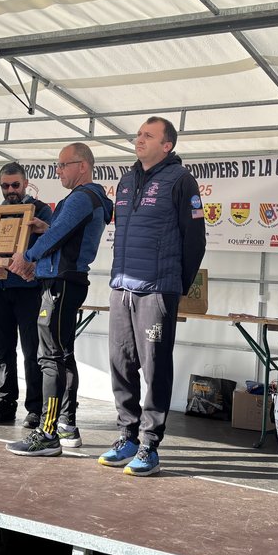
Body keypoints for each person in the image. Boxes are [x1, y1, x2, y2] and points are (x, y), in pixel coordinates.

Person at [99, 116, 206, 477]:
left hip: (157, 290)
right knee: (121, 363)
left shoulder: (181, 180)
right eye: (138, 134)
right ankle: (127, 436)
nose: (139, 139)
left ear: (167, 145)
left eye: (148, 135)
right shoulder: (126, 180)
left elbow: (195, 240)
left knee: (155, 367)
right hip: (121, 287)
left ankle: (149, 444)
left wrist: (174, 286)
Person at [3, 143, 112, 456]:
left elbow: (57, 236)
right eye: (57, 165)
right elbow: (66, 235)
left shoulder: (82, 196)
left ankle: (47, 433)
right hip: (66, 282)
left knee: (51, 358)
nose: (58, 171)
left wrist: (28, 257)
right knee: (63, 355)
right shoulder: (88, 198)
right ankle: (66, 424)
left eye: (63, 165)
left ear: (83, 166)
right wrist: (46, 232)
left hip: (61, 285)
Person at [0, 162, 53, 427]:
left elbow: (53, 245)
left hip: (29, 290)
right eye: (5, 186)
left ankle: (36, 408)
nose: (11, 190)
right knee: (3, 349)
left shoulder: (41, 211)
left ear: (26, 183)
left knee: (32, 350)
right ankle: (6, 402)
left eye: (15, 185)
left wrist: (43, 232)